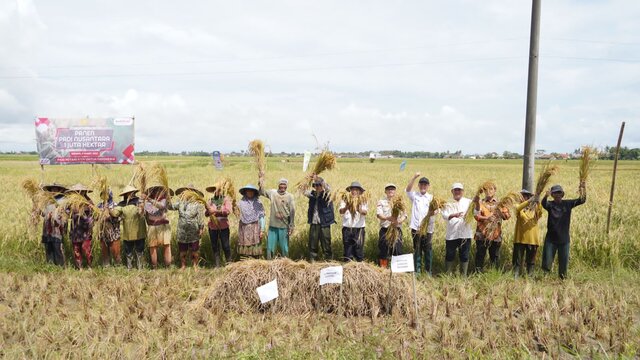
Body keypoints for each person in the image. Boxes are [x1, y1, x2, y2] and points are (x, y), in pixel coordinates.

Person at [541, 183, 586, 279]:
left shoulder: (568, 204)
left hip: (564, 239)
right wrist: (545, 196)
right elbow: (543, 204)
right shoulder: (550, 205)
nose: (557, 195)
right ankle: (545, 278)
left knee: (563, 262)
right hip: (551, 239)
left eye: (559, 193)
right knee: (547, 261)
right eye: (555, 193)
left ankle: (563, 278)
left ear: (562, 194)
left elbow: (582, 200)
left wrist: (583, 189)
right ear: (552, 195)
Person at [472, 181, 511, 272]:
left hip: (495, 234)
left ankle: (494, 274)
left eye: (491, 189)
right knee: (480, 255)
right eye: (486, 190)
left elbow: (507, 216)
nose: (488, 191)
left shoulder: (500, 203)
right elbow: (476, 216)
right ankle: (478, 273)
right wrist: (487, 218)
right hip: (482, 234)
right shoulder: (480, 202)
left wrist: (501, 212)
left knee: (495, 256)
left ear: (495, 190)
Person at [258, 177, 295, 259]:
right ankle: (269, 262)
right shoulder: (273, 193)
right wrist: (260, 181)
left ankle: (286, 262)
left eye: (284, 185)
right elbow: (261, 192)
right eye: (281, 184)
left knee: (284, 247)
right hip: (273, 226)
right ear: (278, 185)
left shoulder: (290, 196)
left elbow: (292, 211)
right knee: (270, 247)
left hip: (284, 226)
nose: (282, 186)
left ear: (286, 186)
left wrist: (291, 225)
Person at [110, 185, 147, 270]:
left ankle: (140, 267)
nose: (131, 194)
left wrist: (142, 204)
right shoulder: (122, 204)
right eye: (129, 193)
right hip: (128, 231)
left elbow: (142, 212)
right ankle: (129, 267)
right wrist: (109, 209)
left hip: (139, 230)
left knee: (139, 250)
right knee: (128, 251)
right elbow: (115, 213)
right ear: (126, 194)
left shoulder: (139, 201)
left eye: (132, 193)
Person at [170, 184, 206, 270]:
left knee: (195, 250)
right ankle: (183, 266)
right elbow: (170, 207)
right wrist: (168, 199)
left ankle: (195, 265)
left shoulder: (198, 204)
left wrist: (201, 228)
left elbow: (200, 217)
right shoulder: (180, 203)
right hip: (182, 231)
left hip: (193, 231)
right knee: (182, 251)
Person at [405, 173, 435, 275]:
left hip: (428, 228)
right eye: (421, 184)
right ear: (418, 185)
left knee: (428, 250)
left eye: (425, 184)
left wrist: (432, 212)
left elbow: (437, 210)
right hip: (415, 227)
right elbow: (408, 190)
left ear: (428, 186)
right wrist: (414, 177)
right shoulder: (415, 195)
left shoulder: (431, 198)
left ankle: (428, 271)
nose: (423, 186)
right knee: (417, 248)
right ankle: (417, 271)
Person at [441, 182, 473, 276]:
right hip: (452, 234)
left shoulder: (469, 202)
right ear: (452, 191)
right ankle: (448, 275)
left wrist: (477, 202)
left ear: (462, 191)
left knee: (464, 256)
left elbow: (476, 211)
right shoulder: (447, 203)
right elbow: (444, 215)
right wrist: (453, 215)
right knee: (450, 255)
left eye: (459, 190)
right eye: (455, 190)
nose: (457, 192)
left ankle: (463, 276)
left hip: (465, 234)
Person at [140, 183, 172, 269]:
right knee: (152, 246)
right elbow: (141, 214)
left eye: (159, 190)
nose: (157, 192)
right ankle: (154, 267)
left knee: (166, 245)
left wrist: (148, 199)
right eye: (155, 190)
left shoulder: (164, 200)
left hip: (164, 226)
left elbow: (161, 206)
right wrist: (141, 204)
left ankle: (167, 266)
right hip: (152, 227)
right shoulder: (147, 203)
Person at [512, 189, 543, 277]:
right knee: (517, 259)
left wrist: (538, 201)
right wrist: (529, 201)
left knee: (531, 260)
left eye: (526, 195)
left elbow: (540, 213)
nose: (524, 197)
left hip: (532, 238)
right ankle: (516, 274)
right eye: (522, 195)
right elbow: (518, 209)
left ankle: (530, 275)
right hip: (520, 238)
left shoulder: (535, 207)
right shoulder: (517, 206)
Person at [304, 176, 335, 261]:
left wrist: (320, 179)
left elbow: (329, 189)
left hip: (324, 222)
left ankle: (328, 261)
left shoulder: (327, 194)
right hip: (314, 222)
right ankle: (313, 260)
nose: (317, 187)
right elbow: (302, 190)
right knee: (312, 243)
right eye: (316, 185)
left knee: (326, 243)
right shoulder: (312, 194)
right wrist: (308, 180)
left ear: (322, 186)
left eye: (319, 185)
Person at [376, 183, 407, 268]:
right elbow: (379, 215)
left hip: (397, 230)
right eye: (388, 189)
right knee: (383, 251)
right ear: (385, 191)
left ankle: (397, 271)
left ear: (395, 191)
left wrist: (398, 221)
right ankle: (383, 269)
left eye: (392, 189)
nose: (390, 190)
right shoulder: (381, 202)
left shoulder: (399, 202)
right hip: (385, 230)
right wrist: (387, 218)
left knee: (397, 250)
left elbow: (405, 215)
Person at [66, 184, 95, 269]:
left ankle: (90, 266)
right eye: (77, 191)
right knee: (76, 249)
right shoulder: (71, 202)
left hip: (85, 229)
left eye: (81, 191)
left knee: (86, 248)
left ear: (84, 192)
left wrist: (91, 210)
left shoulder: (88, 201)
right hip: (75, 229)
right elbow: (66, 213)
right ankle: (80, 267)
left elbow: (94, 215)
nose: (79, 193)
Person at [339, 181, 368, 262]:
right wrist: (347, 206)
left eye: (356, 189)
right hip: (347, 228)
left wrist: (358, 208)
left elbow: (365, 212)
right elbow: (341, 211)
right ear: (350, 191)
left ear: (360, 191)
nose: (354, 191)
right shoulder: (345, 200)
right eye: (352, 189)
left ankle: (359, 266)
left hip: (359, 229)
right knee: (347, 250)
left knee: (359, 250)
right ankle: (348, 268)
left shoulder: (363, 200)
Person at [205, 184, 233, 267]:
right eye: (215, 190)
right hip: (213, 227)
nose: (216, 191)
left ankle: (229, 263)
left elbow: (228, 211)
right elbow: (206, 214)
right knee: (215, 245)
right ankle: (217, 265)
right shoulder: (210, 200)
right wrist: (208, 210)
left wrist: (216, 211)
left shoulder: (225, 200)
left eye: (218, 190)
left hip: (223, 226)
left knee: (226, 245)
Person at [40, 183, 68, 266]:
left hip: (57, 228)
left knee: (57, 248)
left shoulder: (63, 201)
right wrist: (38, 212)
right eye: (52, 190)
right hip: (47, 228)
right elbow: (44, 213)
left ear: (60, 191)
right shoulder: (47, 201)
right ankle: (50, 266)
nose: (54, 191)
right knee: (48, 248)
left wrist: (58, 216)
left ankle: (61, 266)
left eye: (56, 189)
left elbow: (66, 214)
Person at [237, 184, 266, 258]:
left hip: (255, 227)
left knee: (255, 244)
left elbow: (261, 216)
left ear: (254, 192)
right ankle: (246, 260)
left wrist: (262, 229)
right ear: (245, 192)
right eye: (248, 191)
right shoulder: (241, 203)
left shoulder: (258, 203)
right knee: (245, 245)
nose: (250, 193)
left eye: (251, 191)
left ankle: (255, 261)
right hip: (244, 227)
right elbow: (237, 213)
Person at [97, 190, 121, 267]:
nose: (105, 197)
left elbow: (119, 217)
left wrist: (109, 213)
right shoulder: (99, 206)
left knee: (115, 250)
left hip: (113, 231)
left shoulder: (115, 205)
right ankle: (106, 266)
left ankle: (118, 265)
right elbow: (96, 217)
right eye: (103, 195)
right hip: (103, 231)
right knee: (104, 250)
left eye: (107, 195)